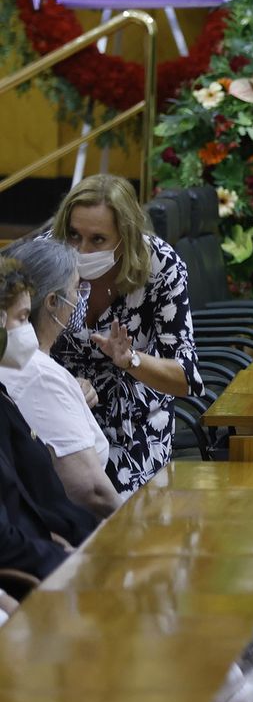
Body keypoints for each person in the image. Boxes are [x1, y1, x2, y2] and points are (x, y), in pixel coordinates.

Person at [48, 175, 203, 493]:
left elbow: (186, 378)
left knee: (116, 510)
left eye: (98, 240)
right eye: (74, 235)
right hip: (59, 410)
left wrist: (131, 360)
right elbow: (17, 346)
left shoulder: (160, 266)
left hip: (135, 419)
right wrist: (61, 382)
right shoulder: (47, 261)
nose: (81, 249)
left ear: (126, 237)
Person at [2, 239, 121, 516]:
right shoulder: (39, 374)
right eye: (76, 288)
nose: (81, 299)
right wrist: (136, 528)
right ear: (53, 302)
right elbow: (92, 491)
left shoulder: (23, 359)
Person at [0, 293, 98, 581]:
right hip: (37, 575)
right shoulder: (35, 376)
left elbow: (22, 500)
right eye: (20, 318)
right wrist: (64, 560)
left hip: (57, 545)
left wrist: (54, 540)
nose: (24, 329)